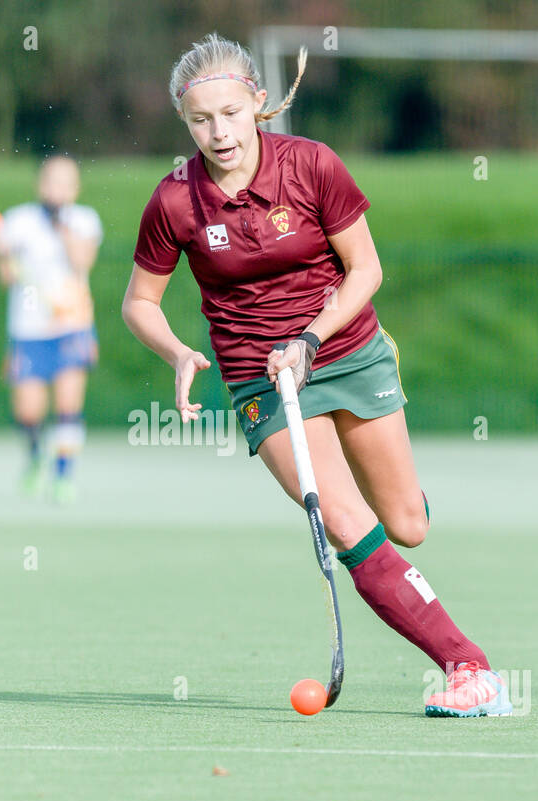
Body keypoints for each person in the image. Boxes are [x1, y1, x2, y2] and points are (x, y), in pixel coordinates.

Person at [122, 34, 511, 716]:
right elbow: (138, 302)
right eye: (200, 120)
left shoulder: (312, 166)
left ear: (259, 105)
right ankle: (469, 668)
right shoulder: (176, 201)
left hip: (348, 350)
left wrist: (308, 338)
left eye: (231, 114)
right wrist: (179, 353)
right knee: (347, 522)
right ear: (185, 122)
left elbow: (367, 270)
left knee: (407, 524)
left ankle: (398, 522)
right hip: (260, 380)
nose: (219, 132)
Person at [0, 156, 102, 503]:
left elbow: (82, 261)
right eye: (51, 181)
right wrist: (2, 255)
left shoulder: (84, 220)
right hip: (28, 329)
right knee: (28, 411)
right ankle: (35, 455)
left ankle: (64, 476)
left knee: (67, 405)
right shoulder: (18, 221)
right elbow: (5, 279)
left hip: (71, 325)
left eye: (66, 183)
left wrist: (61, 227)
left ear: (76, 188)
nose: (58, 189)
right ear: (40, 185)